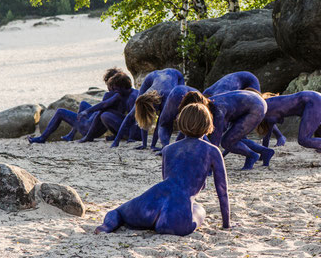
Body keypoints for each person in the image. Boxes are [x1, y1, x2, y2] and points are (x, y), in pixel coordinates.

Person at [95, 99, 230, 236]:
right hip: (175, 219)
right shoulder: (212, 151)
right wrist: (226, 225)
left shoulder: (168, 149)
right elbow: (222, 191)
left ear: (181, 122)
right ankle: (162, 220)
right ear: (207, 124)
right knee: (199, 208)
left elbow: (168, 179)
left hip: (152, 202)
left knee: (117, 212)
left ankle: (106, 226)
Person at [29, 68, 136, 143]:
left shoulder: (112, 95)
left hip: (88, 128)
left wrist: (87, 116)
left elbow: (102, 108)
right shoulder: (123, 95)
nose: (108, 87)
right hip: (97, 127)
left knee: (60, 112)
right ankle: (71, 135)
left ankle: (42, 138)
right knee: (84, 104)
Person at [181, 90, 274, 170]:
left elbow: (214, 143)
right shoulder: (211, 105)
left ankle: (252, 155)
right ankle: (264, 151)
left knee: (227, 141)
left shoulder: (217, 111)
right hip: (252, 100)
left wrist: (209, 166)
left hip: (256, 107)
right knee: (235, 137)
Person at [260, 91, 321, 168]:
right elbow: (267, 135)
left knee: (304, 139)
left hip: (313, 101)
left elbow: (268, 131)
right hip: (317, 98)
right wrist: (263, 156)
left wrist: (263, 156)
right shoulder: (268, 104)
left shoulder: (265, 107)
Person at [111, 68, 185, 149]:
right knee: (133, 112)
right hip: (152, 76)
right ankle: (118, 141)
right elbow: (134, 117)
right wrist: (116, 141)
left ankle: (165, 145)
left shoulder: (167, 98)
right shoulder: (145, 96)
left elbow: (162, 123)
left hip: (175, 74)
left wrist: (154, 145)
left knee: (166, 118)